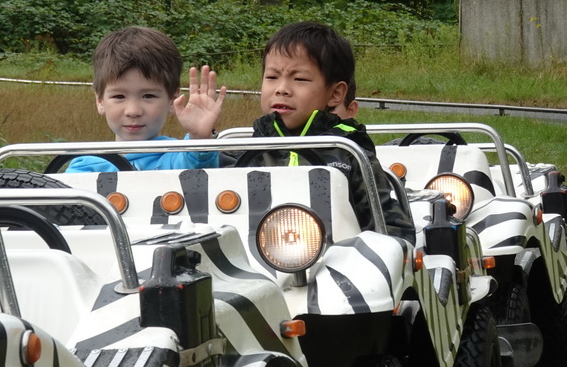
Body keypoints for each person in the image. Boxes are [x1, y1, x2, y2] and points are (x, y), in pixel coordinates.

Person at [250, 21, 415, 243]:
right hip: (259, 264)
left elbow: (390, 226)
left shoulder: (348, 151)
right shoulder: (247, 150)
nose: (281, 89)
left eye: (299, 79)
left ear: (336, 94)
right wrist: (201, 139)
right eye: (272, 77)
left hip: (336, 264)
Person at [66, 26, 226, 172]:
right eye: (119, 96)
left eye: (148, 96)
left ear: (172, 99)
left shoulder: (176, 157)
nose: (133, 111)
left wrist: (199, 138)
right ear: (100, 101)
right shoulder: (85, 168)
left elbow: (198, 171)